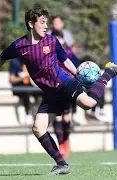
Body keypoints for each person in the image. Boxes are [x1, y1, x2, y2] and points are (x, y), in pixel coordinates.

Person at [0, 8, 117, 175]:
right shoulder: (19, 45)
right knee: (38, 128)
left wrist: (77, 74)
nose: (45, 26)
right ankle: (62, 164)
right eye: (42, 22)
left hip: (64, 83)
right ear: (31, 24)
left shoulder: (52, 41)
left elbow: (65, 60)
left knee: (89, 103)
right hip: (50, 93)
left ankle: (109, 72)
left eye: (46, 22)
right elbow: (2, 57)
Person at [51, 30, 80, 159]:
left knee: (66, 116)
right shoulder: (48, 54)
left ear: (63, 40)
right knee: (57, 116)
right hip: (53, 87)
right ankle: (61, 144)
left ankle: (66, 142)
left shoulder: (68, 54)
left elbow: (77, 68)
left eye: (60, 39)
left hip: (67, 87)